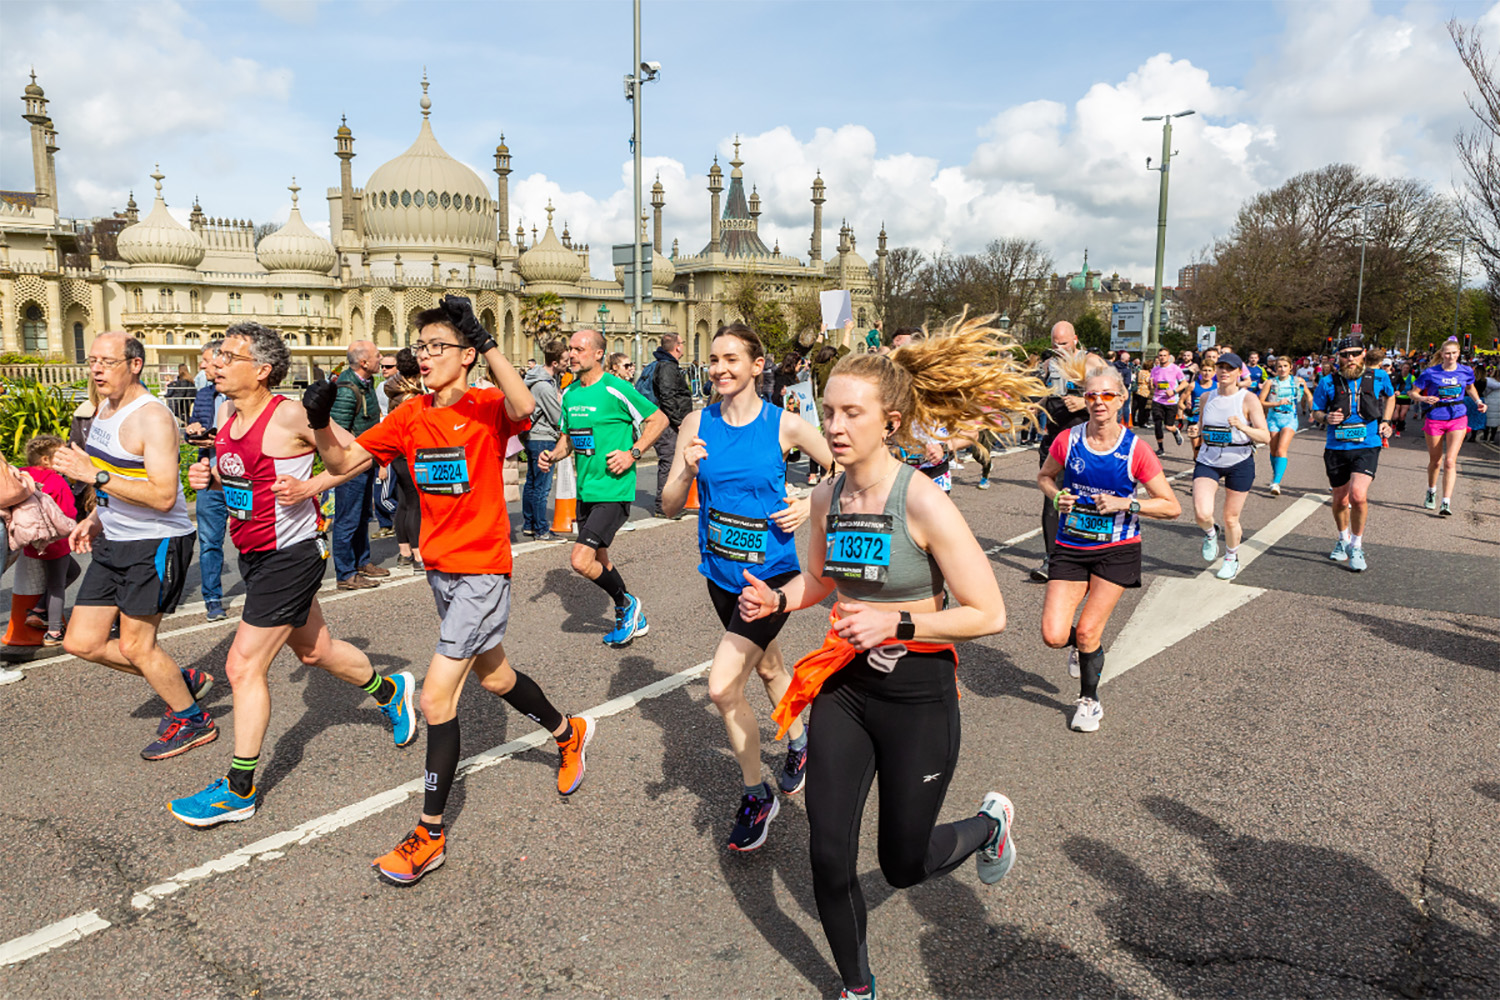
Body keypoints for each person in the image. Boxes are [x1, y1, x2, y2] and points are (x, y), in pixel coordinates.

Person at [737, 312, 1038, 999]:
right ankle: (857, 986)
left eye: (851, 414)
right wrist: (779, 601)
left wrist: (898, 621)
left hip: (918, 697)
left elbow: (989, 612)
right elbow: (819, 582)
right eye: (828, 412)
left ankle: (990, 824)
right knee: (826, 853)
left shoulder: (923, 501)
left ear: (890, 423)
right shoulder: (826, 494)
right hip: (846, 688)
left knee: (902, 863)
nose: (834, 427)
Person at [304, 295, 592, 885]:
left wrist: (482, 336)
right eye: (421, 348)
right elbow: (343, 460)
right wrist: (316, 418)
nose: (425, 357)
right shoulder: (409, 416)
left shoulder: (487, 405)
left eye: (438, 347)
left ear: (464, 356)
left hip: (484, 569)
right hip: (440, 571)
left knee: (437, 700)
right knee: (495, 676)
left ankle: (429, 835)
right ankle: (569, 731)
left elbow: (524, 404)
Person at [169, 322, 417, 828]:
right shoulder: (226, 414)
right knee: (315, 651)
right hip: (255, 553)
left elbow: (355, 457)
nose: (216, 362)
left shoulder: (290, 414)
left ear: (262, 370)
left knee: (242, 667)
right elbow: (242, 474)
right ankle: (392, 694)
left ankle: (239, 789)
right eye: (217, 353)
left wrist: (313, 487)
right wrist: (208, 476)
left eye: (229, 354)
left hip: (292, 555)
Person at [660, 322, 834, 852]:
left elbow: (846, 468)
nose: (719, 369)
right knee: (768, 666)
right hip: (720, 573)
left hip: (772, 577)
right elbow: (668, 506)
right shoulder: (696, 422)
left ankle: (757, 794)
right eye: (713, 360)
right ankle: (800, 742)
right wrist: (686, 471)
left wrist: (810, 502)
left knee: (720, 686)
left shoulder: (786, 425)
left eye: (732, 358)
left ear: (758, 366)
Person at [52, 332, 214, 761]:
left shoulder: (153, 419)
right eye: (93, 361)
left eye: (107, 361)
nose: (97, 369)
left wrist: (94, 478)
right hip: (115, 537)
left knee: (135, 645)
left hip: (155, 543)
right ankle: (177, 679)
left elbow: (163, 496)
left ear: (135, 364)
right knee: (81, 642)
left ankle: (193, 721)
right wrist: (94, 517)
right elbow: (114, 477)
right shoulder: (105, 408)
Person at [1038, 362, 1181, 732]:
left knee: (1087, 631)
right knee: (1054, 635)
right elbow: (1044, 477)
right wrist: (1057, 499)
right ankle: (1083, 647)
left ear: (1120, 399)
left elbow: (1171, 506)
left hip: (1116, 550)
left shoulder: (1136, 449)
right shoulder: (1067, 440)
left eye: (1106, 395)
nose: (1098, 402)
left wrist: (1128, 504)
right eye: (1091, 395)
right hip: (1071, 545)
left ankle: (1089, 701)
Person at [537, 329, 668, 647]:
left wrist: (632, 454)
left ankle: (627, 603)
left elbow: (659, 420)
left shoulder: (616, 389)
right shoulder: (569, 394)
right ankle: (629, 613)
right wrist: (553, 455)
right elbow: (569, 437)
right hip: (586, 491)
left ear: (597, 354)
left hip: (613, 489)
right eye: (570, 349)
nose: (571, 354)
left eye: (579, 349)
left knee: (580, 561)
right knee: (602, 561)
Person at [1311, 335, 1395, 572]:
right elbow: (1316, 411)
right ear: (1339, 357)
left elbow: (1390, 396)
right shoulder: (1327, 381)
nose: (1350, 359)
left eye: (1355, 354)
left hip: (1367, 444)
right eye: (1345, 355)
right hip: (1337, 447)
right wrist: (1326, 418)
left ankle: (1356, 546)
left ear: (1364, 354)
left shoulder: (1379, 376)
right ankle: (1342, 539)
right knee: (1340, 499)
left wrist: (1387, 421)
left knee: (1358, 495)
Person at [1187, 352, 1271, 580]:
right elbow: (1202, 427)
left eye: (1229, 368)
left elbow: (1265, 437)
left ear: (1238, 373)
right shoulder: (1206, 397)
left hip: (1239, 461)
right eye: (1220, 367)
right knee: (1202, 512)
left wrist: (1243, 428)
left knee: (1230, 518)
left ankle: (1231, 557)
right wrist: (1195, 432)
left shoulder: (1248, 399)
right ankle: (1210, 532)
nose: (1224, 372)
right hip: (1208, 460)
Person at [1025, 321, 1092, 583]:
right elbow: (1043, 394)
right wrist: (1035, 406)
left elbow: (1115, 397)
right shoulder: (1048, 365)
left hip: (1083, 439)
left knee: (1084, 498)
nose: (1059, 348)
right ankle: (1051, 558)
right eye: (1055, 344)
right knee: (1052, 496)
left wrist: (1084, 402)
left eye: (1064, 344)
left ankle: (1084, 554)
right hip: (1054, 440)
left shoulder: (1091, 363)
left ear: (1075, 339)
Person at [328, 339, 388, 591]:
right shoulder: (346, 388)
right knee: (347, 518)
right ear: (364, 362)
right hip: (352, 463)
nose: (381, 358)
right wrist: (359, 451)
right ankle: (346, 574)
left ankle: (362, 562)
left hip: (366, 459)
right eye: (377, 355)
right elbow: (337, 428)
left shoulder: (365, 383)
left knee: (363, 515)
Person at [1411, 338, 1486, 516]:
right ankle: (1431, 491)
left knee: (1450, 461)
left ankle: (1446, 502)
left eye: (1454, 353)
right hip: (1436, 417)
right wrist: (1423, 398)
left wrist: (1478, 401)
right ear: (1442, 354)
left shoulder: (1466, 371)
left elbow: (1470, 388)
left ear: (1458, 354)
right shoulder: (1430, 373)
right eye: (1447, 353)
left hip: (1458, 417)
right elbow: (1413, 392)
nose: (1450, 356)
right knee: (1436, 461)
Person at [20, 434, 82, 644]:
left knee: (73, 571)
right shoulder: (56, 481)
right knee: (56, 585)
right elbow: (67, 512)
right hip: (56, 541)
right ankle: (54, 632)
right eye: (60, 455)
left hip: (34, 540)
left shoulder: (23, 477)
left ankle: (38, 609)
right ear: (46, 460)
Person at [185, 340, 228, 620]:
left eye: (205, 360)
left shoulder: (245, 396)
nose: (201, 365)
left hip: (242, 480)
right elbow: (193, 433)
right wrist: (193, 431)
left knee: (249, 539)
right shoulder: (203, 395)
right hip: (209, 478)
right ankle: (212, 599)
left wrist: (222, 439)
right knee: (210, 542)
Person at [382, 347, 426, 569]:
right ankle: (418, 555)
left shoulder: (393, 389)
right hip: (411, 451)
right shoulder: (413, 394)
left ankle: (404, 552)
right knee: (415, 503)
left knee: (404, 503)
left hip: (397, 452)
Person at [522, 338, 565, 542]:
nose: (568, 362)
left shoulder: (538, 379)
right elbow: (557, 418)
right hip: (543, 438)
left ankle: (529, 525)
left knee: (531, 483)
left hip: (533, 436)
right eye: (565, 360)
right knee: (542, 487)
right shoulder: (545, 387)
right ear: (555, 363)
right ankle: (541, 529)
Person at [650, 332, 694, 519]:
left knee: (670, 461)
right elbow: (668, 396)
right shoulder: (667, 367)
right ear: (677, 347)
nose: (683, 346)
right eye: (682, 343)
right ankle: (663, 506)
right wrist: (679, 422)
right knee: (668, 461)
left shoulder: (667, 365)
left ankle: (669, 504)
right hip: (668, 424)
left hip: (670, 422)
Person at [1259, 355, 1309, 496]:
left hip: (1290, 419)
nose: (1282, 369)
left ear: (1290, 367)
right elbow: (1261, 401)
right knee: (1274, 451)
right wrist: (1276, 403)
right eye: (1279, 366)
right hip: (1273, 418)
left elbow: (1309, 396)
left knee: (1281, 450)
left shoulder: (1297, 381)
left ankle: (1276, 482)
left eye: (1285, 366)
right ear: (1276, 368)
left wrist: (1313, 411)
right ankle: (1276, 476)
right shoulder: (1270, 382)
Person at [1180, 348, 1220, 461]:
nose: (1207, 373)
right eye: (1204, 370)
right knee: (1197, 451)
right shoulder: (1193, 385)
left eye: (1209, 371)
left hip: (1211, 421)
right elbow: (1180, 403)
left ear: (1214, 372)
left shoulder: (1217, 386)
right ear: (1200, 372)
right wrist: (1187, 411)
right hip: (1195, 420)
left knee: (1207, 448)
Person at [1147, 347, 1187, 455]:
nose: (1162, 357)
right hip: (1157, 399)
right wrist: (1150, 384)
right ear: (1158, 357)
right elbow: (1152, 386)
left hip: (1171, 401)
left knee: (1168, 426)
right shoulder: (1155, 370)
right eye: (1160, 355)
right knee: (1157, 423)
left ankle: (1175, 431)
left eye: (1165, 355)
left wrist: (1174, 391)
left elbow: (1184, 383)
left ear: (1169, 357)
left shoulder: (1175, 368)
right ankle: (1160, 448)